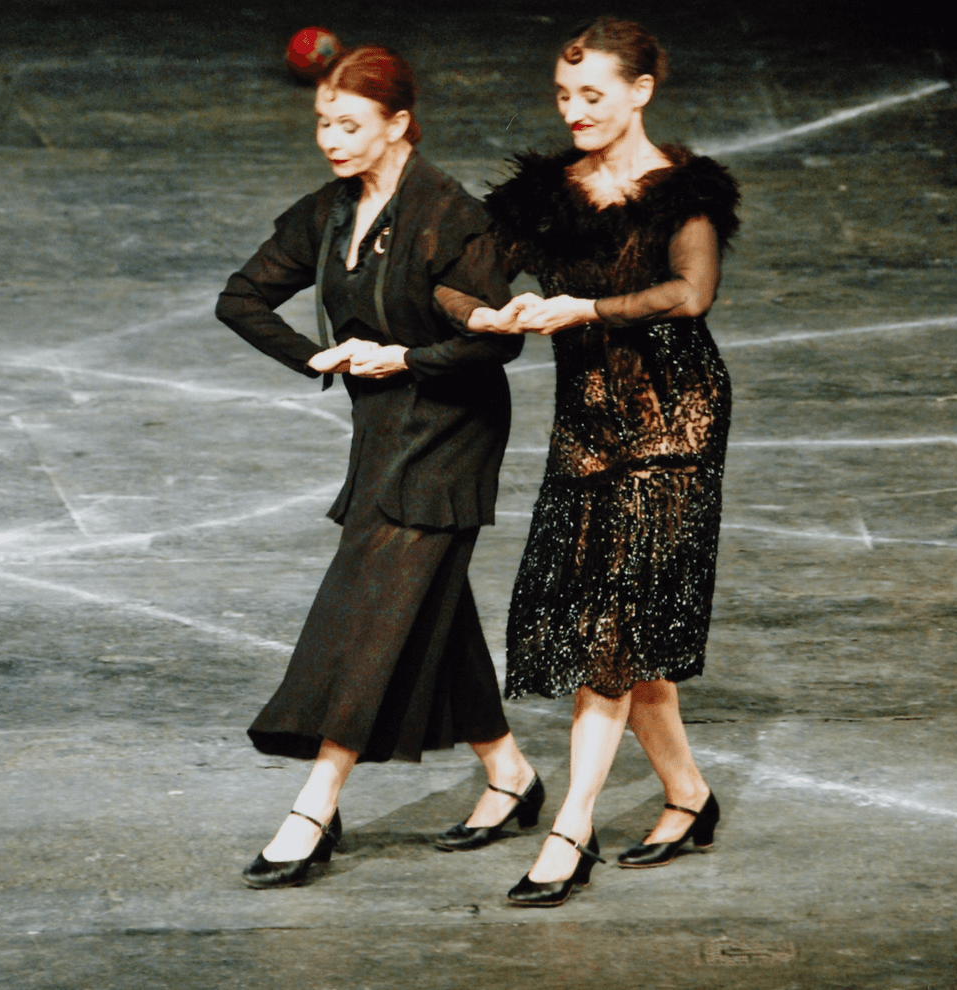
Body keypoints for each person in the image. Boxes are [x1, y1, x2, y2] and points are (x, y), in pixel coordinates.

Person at [214, 45, 543, 889]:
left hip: (451, 426)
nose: (331, 138)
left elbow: (494, 339)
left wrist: (400, 358)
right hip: (382, 430)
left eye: (349, 124)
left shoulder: (448, 215)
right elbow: (241, 297)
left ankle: (314, 805)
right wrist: (318, 359)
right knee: (423, 605)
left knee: (366, 607)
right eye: (324, 121)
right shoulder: (330, 212)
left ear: (398, 123)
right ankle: (508, 772)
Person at [472, 17, 741, 907]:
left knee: (613, 629)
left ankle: (571, 828)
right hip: (587, 424)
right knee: (622, 624)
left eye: (593, 95)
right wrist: (488, 313)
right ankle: (689, 796)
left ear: (640, 91)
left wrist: (581, 308)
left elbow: (690, 294)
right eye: (564, 96)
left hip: (675, 422)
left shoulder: (682, 191)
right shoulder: (549, 192)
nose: (575, 111)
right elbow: (466, 273)